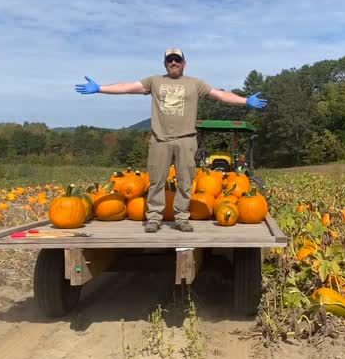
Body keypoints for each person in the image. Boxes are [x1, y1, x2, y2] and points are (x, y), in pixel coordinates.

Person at [75, 48, 267, 233]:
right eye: (169, 60)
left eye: (177, 59)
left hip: (186, 140)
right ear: (165, 63)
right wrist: (100, 88)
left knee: (185, 181)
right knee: (156, 181)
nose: (173, 62)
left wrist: (245, 100)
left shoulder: (195, 83)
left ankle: (182, 218)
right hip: (160, 140)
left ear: (184, 63)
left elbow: (220, 94)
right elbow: (127, 87)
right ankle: (154, 218)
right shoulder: (154, 81)